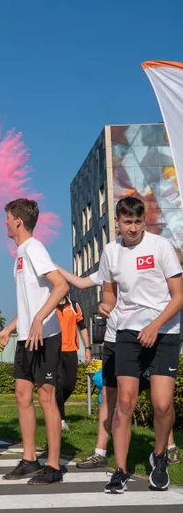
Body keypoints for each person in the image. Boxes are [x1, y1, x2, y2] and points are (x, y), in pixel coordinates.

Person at [96, 197, 182, 493]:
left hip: (165, 331)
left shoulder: (160, 247)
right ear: (117, 223)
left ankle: (159, 457)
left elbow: (179, 296)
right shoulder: (110, 251)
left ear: (143, 221)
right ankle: (119, 471)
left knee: (161, 404)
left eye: (137, 222)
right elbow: (110, 292)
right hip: (128, 332)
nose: (132, 228)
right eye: (127, 223)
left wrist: (155, 325)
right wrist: (105, 305)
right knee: (124, 402)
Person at [0, 198, 68, 485]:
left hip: (45, 337)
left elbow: (61, 285)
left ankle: (53, 466)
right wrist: (9, 328)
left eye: (7, 217)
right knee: (22, 396)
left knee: (46, 398)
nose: (5, 222)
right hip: (26, 337)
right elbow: (28, 300)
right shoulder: (21, 253)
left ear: (18, 222)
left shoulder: (35, 249)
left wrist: (38, 318)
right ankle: (29, 459)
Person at [54, 293, 91, 430]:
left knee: (70, 385)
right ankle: (60, 418)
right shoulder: (50, 306)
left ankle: (53, 407)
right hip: (55, 350)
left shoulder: (74, 305)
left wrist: (87, 348)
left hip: (71, 350)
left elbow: (82, 326)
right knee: (59, 383)